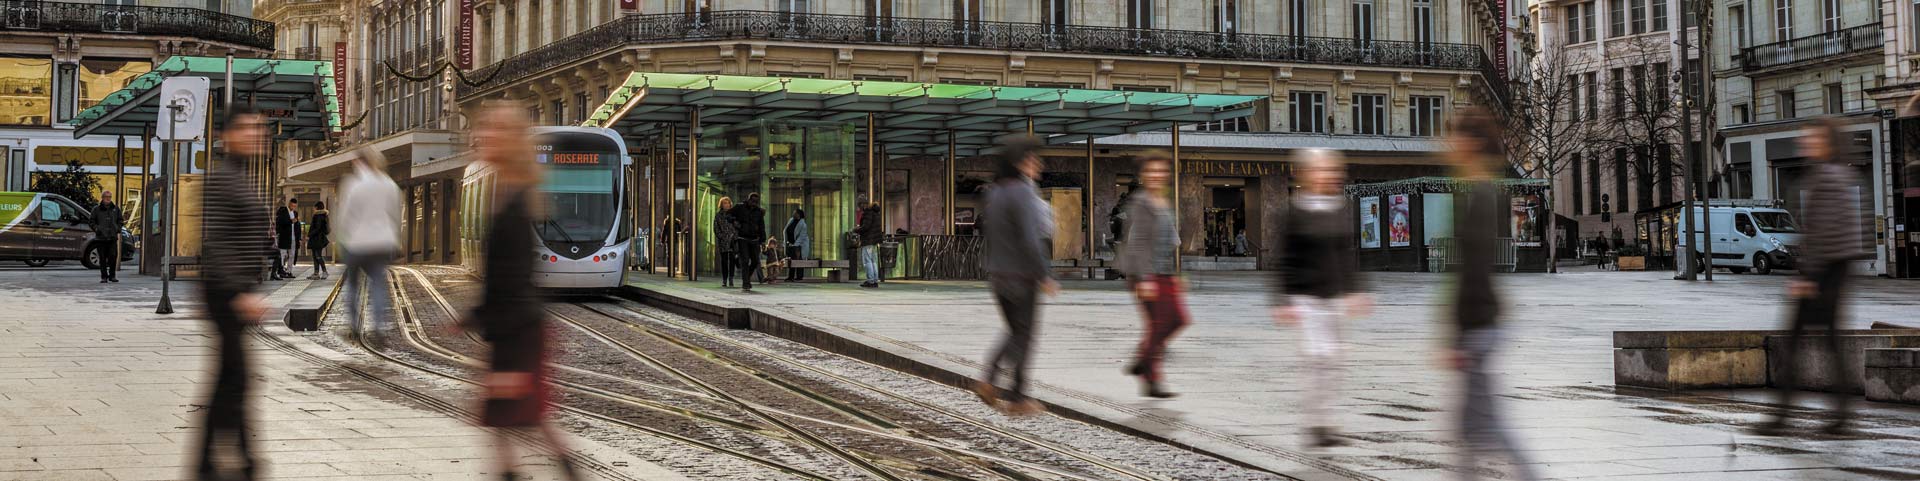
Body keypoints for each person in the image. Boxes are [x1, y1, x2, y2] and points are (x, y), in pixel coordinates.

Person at [461, 102, 581, 481]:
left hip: (516, 331)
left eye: (494, 130)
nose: (484, 136)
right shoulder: (512, 193)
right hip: (515, 327)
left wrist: (484, 319)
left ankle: (562, 470)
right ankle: (561, 469)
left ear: (510, 141)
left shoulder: (514, 202)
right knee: (520, 418)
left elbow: (511, 276)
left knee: (515, 418)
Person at [1755, 117, 1871, 436]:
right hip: (1836, 267)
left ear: (1827, 142)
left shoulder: (1828, 177)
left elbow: (1824, 231)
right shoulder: (1840, 175)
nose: (1806, 142)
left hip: (1826, 270)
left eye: (1813, 138)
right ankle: (1838, 416)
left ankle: (1784, 416)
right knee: (1828, 340)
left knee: (1793, 340)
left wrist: (1809, 274)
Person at [1443, 111, 1538, 481]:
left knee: (1487, 425)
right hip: (1479, 323)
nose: (1451, 146)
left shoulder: (1481, 193)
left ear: (1472, 145)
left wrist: (1460, 334)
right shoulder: (1477, 190)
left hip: (1479, 324)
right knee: (1469, 427)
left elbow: (1475, 268)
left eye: (1457, 139)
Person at [194, 105, 273, 481]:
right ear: (226, 136)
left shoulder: (239, 176)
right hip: (225, 294)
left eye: (259, 128)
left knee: (229, 379)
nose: (255, 133)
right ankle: (239, 464)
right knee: (235, 379)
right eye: (246, 128)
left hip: (231, 294)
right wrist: (239, 293)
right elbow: (216, 243)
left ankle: (214, 464)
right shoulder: (224, 178)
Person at [1272, 148, 1370, 448]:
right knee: (1319, 358)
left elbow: (1346, 254)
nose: (1328, 175)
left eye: (1331, 170)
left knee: (1336, 359)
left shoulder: (1339, 208)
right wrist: (1283, 299)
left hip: (1334, 296)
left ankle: (1325, 422)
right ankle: (1317, 422)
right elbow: (1285, 259)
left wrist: (1355, 290)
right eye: (1321, 170)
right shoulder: (1295, 212)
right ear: (1304, 175)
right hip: (1307, 298)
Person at [971, 137, 1057, 416]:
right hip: (1021, 275)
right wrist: (1044, 274)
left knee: (1015, 333)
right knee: (1024, 336)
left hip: (998, 275)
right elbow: (1030, 239)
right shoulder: (1021, 191)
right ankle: (1011, 393)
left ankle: (997, 385)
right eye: (1033, 158)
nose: (1038, 163)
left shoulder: (995, 192)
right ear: (1020, 161)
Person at [1116, 151, 1186, 399]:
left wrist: (1174, 275)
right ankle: (1150, 375)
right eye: (1152, 171)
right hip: (1146, 275)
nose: (1157, 175)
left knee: (1177, 320)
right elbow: (1138, 242)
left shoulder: (1164, 202)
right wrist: (1144, 279)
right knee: (1160, 324)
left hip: (1163, 272)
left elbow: (1169, 242)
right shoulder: (1142, 203)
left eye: (1161, 171)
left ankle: (1143, 363)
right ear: (1144, 175)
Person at [336, 147, 402, 338]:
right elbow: (396, 216)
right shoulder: (389, 184)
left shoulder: (353, 184)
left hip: (356, 243)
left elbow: (345, 216)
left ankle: (354, 325)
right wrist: (396, 239)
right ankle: (379, 326)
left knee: (353, 284)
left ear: (359, 163)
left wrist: (342, 241)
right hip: (382, 242)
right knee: (378, 283)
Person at [730, 192, 767, 292]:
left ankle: (746, 278)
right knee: (745, 260)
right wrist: (734, 222)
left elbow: (761, 226)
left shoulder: (759, 212)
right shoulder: (740, 207)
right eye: (752, 201)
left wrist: (763, 240)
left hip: (754, 239)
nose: (754, 203)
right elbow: (728, 214)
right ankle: (746, 282)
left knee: (755, 261)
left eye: (756, 202)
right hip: (743, 238)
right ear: (749, 200)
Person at [90, 190, 124, 283]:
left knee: (113, 256)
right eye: (106, 197)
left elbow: (120, 220)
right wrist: (97, 229)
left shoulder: (116, 209)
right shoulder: (96, 209)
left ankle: (112, 276)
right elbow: (92, 221)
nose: (108, 199)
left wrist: (118, 228)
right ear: (102, 198)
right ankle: (104, 276)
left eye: (110, 197)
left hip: (112, 237)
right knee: (102, 258)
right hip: (101, 238)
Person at [714, 197, 738, 288]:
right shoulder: (718, 215)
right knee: (724, 261)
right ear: (721, 205)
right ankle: (724, 279)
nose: (726, 205)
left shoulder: (734, 214)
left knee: (732, 260)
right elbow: (716, 228)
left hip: (732, 240)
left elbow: (737, 226)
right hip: (723, 241)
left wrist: (735, 237)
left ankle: (731, 279)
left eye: (728, 203)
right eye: (724, 203)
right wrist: (721, 236)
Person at [273, 198, 299, 279]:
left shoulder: (295, 213)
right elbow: (280, 221)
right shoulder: (282, 210)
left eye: (294, 206)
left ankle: (289, 271)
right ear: (289, 204)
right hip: (284, 236)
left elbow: (297, 225)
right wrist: (291, 221)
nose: (293, 207)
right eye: (292, 205)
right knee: (282, 254)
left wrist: (299, 237)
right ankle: (281, 271)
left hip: (293, 237)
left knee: (292, 255)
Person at [305, 201, 331, 280]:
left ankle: (324, 272)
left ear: (317, 207)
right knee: (316, 256)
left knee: (317, 256)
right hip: (319, 238)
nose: (314, 209)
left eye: (314, 207)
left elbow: (317, 228)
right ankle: (316, 273)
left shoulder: (318, 216)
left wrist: (309, 235)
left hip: (317, 239)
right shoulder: (324, 215)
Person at [784, 208, 810, 281]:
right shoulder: (791, 220)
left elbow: (802, 236)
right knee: (791, 260)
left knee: (799, 260)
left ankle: (799, 277)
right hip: (791, 244)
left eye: (794, 213)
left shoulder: (803, 225)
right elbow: (786, 231)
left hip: (799, 245)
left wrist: (795, 245)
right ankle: (791, 276)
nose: (793, 214)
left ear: (798, 214)